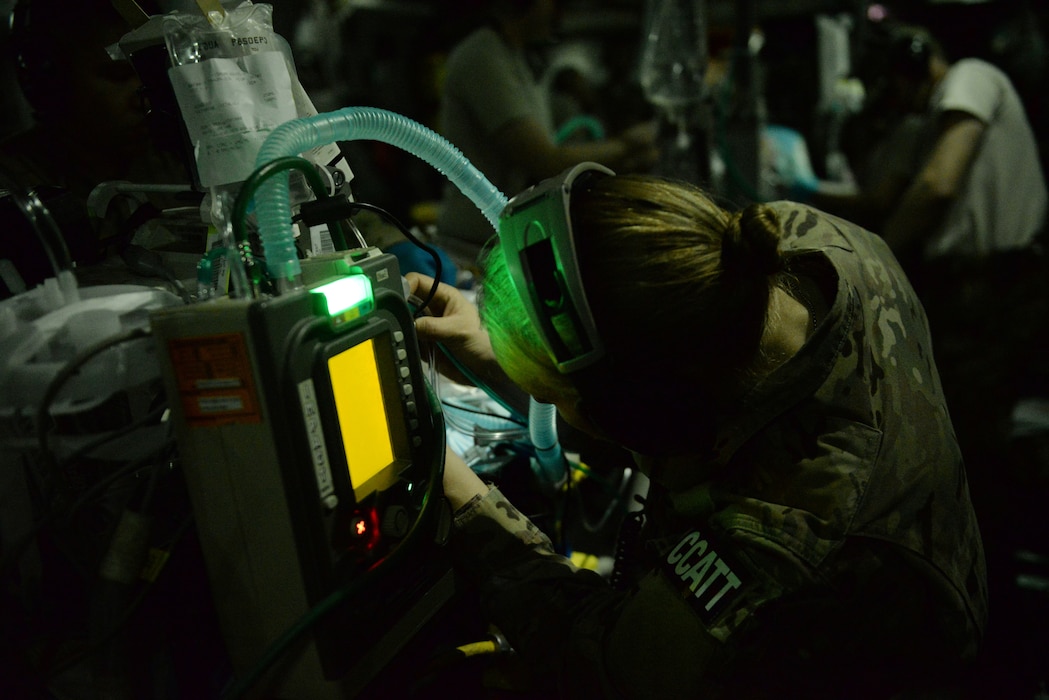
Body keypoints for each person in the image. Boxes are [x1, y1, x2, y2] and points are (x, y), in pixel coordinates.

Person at [406, 165, 988, 698]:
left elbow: (605, 665)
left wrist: (465, 502)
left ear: (640, 413)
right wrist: (496, 354)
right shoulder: (800, 242)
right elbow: (652, 363)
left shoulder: (782, 538)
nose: (539, 401)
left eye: (550, 395)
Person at [434, 0, 659, 270]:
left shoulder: (516, 58)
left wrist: (628, 158)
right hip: (473, 248)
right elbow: (544, 160)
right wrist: (628, 145)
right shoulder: (483, 55)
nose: (559, 9)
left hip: (504, 242)